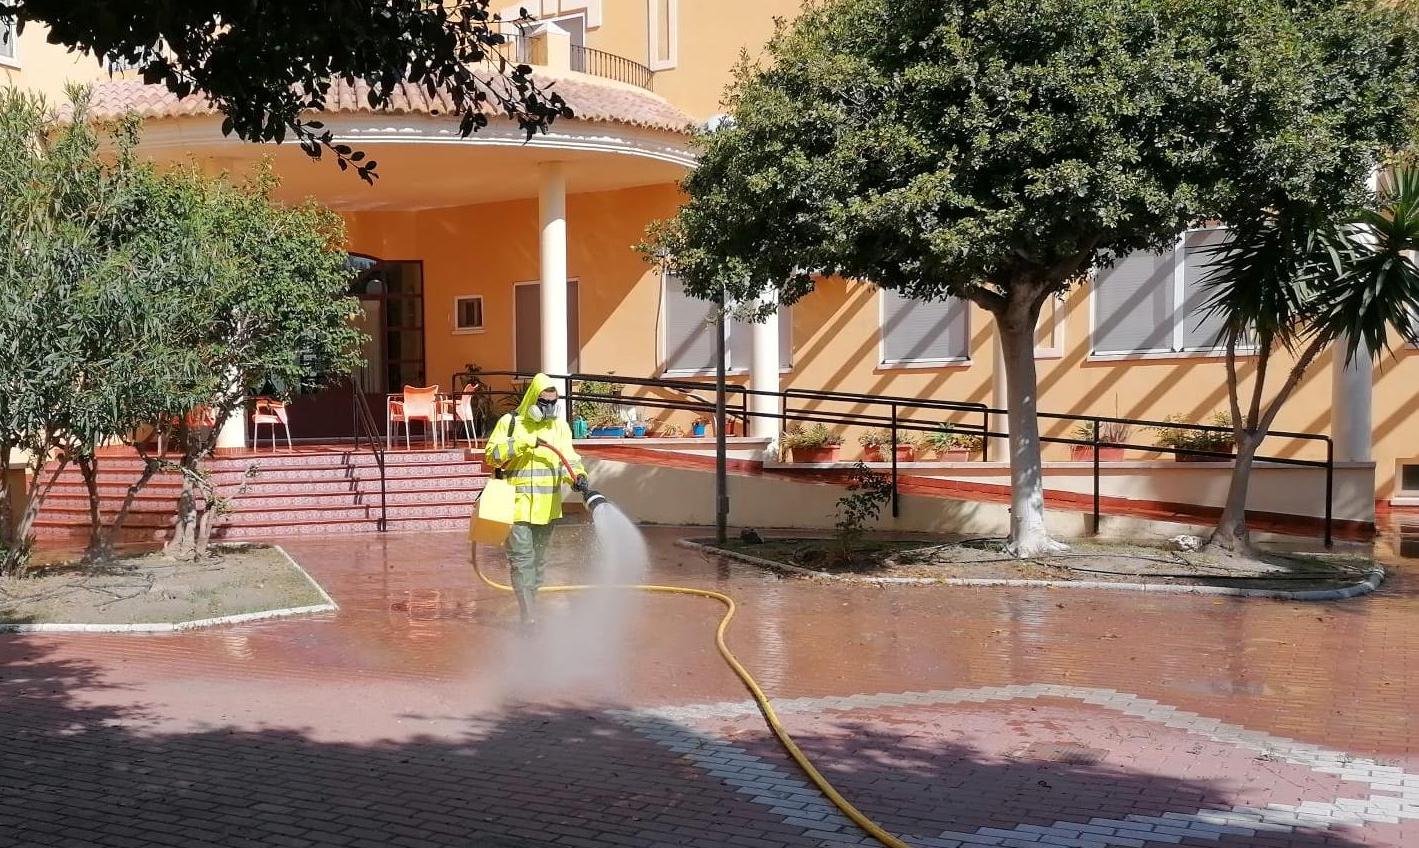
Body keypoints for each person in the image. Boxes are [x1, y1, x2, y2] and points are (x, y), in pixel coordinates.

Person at [484, 373, 589, 625]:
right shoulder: (511, 423)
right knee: (522, 561)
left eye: (553, 402)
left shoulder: (559, 427)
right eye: (544, 403)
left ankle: (529, 607)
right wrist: (521, 442)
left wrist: (578, 476)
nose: (549, 408)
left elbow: (568, 459)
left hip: (548, 509)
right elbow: (492, 455)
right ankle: (528, 618)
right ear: (533, 399)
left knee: (538, 564)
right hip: (515, 506)